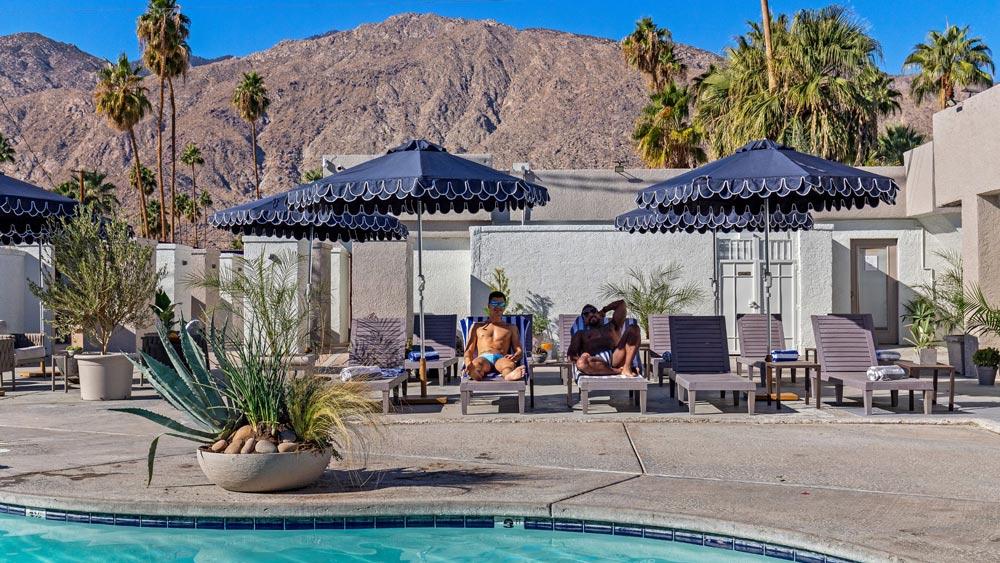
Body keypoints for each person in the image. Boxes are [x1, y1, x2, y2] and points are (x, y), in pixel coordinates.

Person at [567, 299, 641, 377]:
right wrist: (582, 357)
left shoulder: (612, 326)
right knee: (581, 363)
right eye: (586, 314)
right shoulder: (581, 334)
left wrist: (604, 310)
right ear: (584, 320)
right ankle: (618, 371)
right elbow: (571, 356)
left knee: (634, 329)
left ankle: (627, 367)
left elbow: (621, 304)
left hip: (616, 358)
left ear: (598, 313)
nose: (590, 314)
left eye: (593, 311)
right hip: (596, 362)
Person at [463, 291, 525, 381]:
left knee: (508, 365)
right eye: (494, 303)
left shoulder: (511, 327)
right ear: (489, 306)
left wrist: (515, 356)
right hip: (483, 357)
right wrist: (468, 363)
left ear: (504, 307)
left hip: (501, 357)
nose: (498, 307)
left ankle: (508, 375)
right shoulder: (477, 326)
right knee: (477, 363)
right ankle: (475, 373)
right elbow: (469, 349)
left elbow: (519, 350)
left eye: (501, 304)